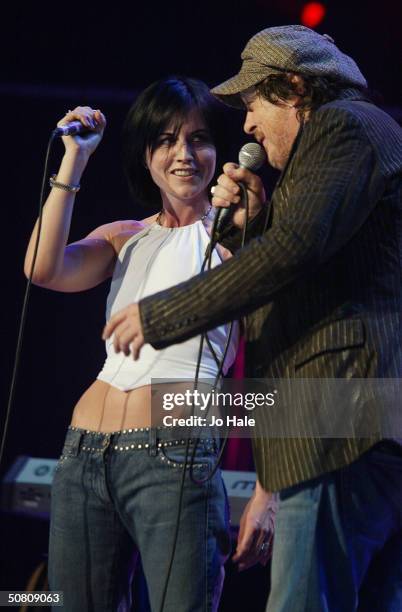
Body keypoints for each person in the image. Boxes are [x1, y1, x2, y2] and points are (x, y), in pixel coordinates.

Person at [102, 26, 402, 611]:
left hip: (342, 426)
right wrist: (254, 228)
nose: (247, 125)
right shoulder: (361, 136)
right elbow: (315, 267)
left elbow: (293, 252)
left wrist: (165, 313)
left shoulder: (341, 126)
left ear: (293, 88)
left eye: (254, 103)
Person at [24, 77, 240, 612]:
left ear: (220, 150)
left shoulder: (241, 241)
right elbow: (41, 268)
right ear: (146, 156)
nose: (183, 154)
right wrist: (75, 159)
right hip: (82, 454)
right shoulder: (126, 235)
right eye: (166, 140)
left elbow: (276, 368)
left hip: (177, 453)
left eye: (198, 139)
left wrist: (271, 490)